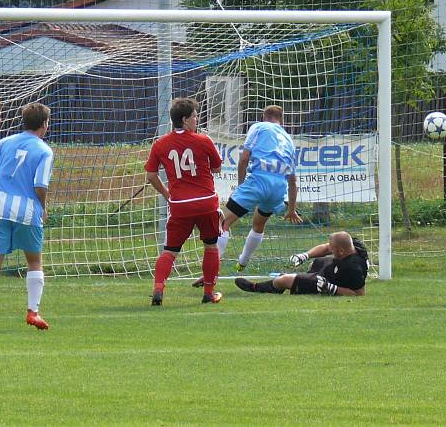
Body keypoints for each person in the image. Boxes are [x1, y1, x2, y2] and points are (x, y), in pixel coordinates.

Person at [192, 105, 301, 287]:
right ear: (281, 120)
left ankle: (212, 271)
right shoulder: (288, 139)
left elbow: (244, 159)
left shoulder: (258, 127)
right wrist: (291, 209)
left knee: (220, 223)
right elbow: (293, 180)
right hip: (278, 186)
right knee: (259, 224)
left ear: (263, 117)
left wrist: (241, 185)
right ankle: (242, 262)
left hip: (258, 180)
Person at [0, 102, 53, 332]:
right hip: (27, 211)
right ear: (44, 125)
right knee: (34, 261)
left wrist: (6, 174)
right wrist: (43, 207)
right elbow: (40, 186)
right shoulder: (44, 151)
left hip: (0, 208)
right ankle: (33, 312)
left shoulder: (6, 142)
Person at [144, 97, 224, 305]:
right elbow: (217, 167)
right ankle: (208, 293)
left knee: (170, 250)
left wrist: (167, 194)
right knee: (211, 246)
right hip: (206, 202)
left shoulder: (160, 144)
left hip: (180, 205)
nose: (197, 120)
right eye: (195, 117)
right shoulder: (203, 140)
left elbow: (151, 175)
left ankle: (158, 288)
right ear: (185, 120)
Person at [234, 231, 368, 296]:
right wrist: (305, 255)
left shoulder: (353, 268)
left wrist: (332, 289)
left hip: (327, 282)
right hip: (331, 271)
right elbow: (326, 247)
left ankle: (256, 287)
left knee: (283, 280)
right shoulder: (353, 245)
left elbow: (359, 293)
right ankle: (298, 280)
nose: (330, 250)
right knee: (316, 262)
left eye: (333, 250)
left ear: (341, 251)